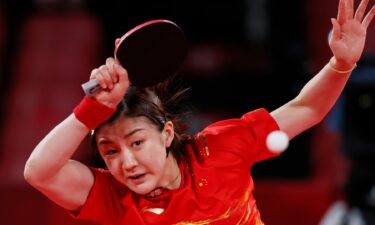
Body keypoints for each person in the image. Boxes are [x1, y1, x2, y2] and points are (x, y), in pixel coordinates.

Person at [24, 0, 374, 224]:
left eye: (136, 142)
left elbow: (306, 108)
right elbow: (39, 172)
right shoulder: (113, 198)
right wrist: (91, 109)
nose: (126, 162)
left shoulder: (221, 148)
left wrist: (340, 64)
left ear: (166, 133)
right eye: (110, 152)